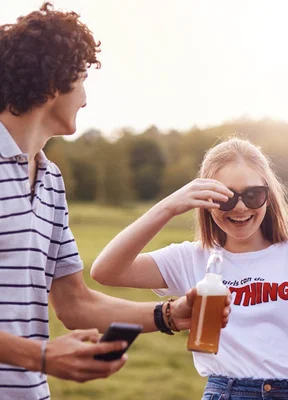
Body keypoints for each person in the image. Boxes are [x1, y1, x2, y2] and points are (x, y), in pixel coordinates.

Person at [0, 4, 212, 399]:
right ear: (52, 84)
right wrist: (41, 355)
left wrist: (168, 314)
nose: (84, 97)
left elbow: (74, 302)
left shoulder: (50, 181)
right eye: (80, 79)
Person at [91, 137, 288, 399]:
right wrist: (170, 206)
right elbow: (105, 271)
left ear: (269, 195)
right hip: (229, 392)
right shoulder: (192, 258)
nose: (240, 207)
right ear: (204, 200)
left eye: (254, 195)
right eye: (225, 198)